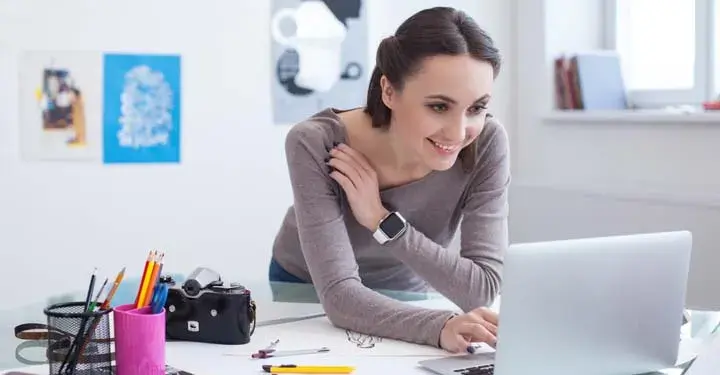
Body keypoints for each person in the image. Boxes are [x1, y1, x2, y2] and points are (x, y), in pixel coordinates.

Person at [270, 6, 509, 354]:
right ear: (389, 91)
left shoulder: (487, 143)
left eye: (476, 108)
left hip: (406, 287)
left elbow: (480, 289)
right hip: (305, 289)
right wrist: (439, 325)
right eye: (439, 107)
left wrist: (382, 221)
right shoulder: (314, 142)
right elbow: (338, 295)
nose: (459, 133)